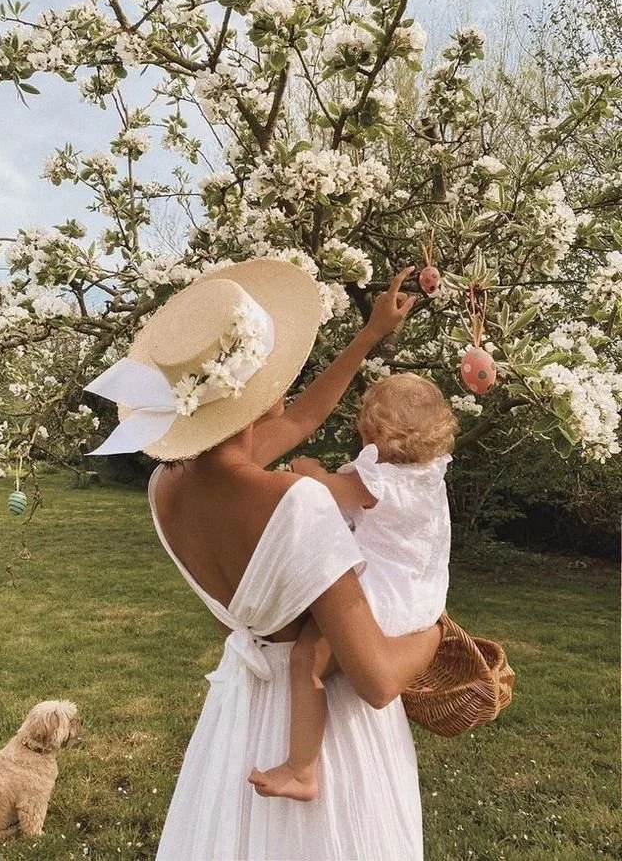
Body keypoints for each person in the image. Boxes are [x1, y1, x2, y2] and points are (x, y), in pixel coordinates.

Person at [85, 259, 441, 860]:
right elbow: (378, 679)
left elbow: (302, 417)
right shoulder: (295, 503)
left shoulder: (168, 488)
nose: (289, 381)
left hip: (242, 720)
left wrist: (370, 334)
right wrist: (431, 633)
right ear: (256, 391)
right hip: (329, 736)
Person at [250, 373, 458, 801]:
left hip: (385, 596)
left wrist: (307, 469)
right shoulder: (428, 472)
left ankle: (301, 769)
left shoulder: (377, 481)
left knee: (307, 657)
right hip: (422, 594)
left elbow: (322, 492)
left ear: (370, 432)